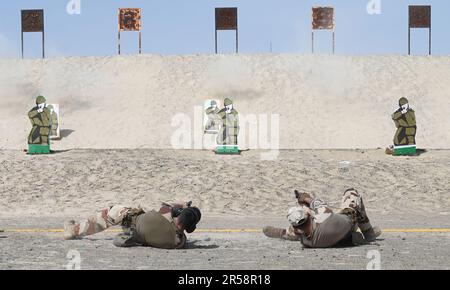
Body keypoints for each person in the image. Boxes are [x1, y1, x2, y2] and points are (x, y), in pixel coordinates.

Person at [263, 189, 381, 248]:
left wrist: (304, 207)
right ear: (309, 216)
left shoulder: (305, 240)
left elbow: (292, 231)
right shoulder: (323, 217)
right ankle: (369, 233)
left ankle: (278, 232)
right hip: (348, 224)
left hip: (339, 239)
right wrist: (305, 198)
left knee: (290, 234)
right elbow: (318, 204)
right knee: (352, 194)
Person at [63, 201, 201, 249]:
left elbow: (167, 206)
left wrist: (181, 205)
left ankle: (74, 230)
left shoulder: (165, 214)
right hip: (142, 237)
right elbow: (183, 234)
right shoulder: (178, 242)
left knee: (113, 211)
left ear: (180, 214)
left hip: (132, 223)